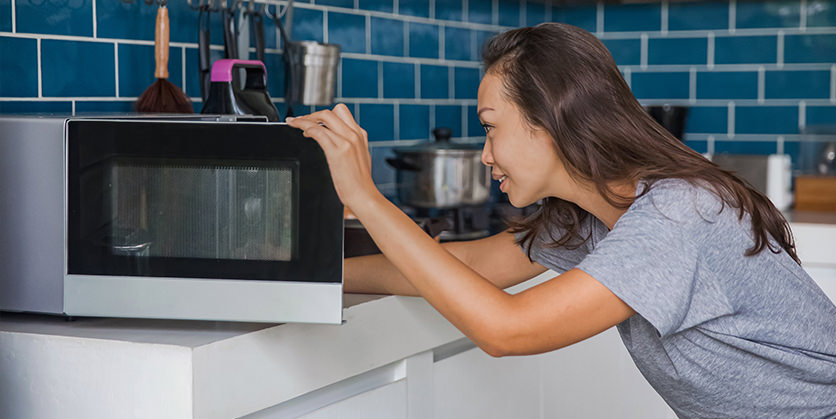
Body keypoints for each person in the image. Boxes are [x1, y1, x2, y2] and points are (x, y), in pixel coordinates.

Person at [287, 22, 836, 418]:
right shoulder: (591, 216)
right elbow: (473, 265)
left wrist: (368, 197)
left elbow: (508, 329)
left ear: (549, 121)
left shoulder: (676, 213)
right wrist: (314, 269)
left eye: (490, 126)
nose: (485, 154)